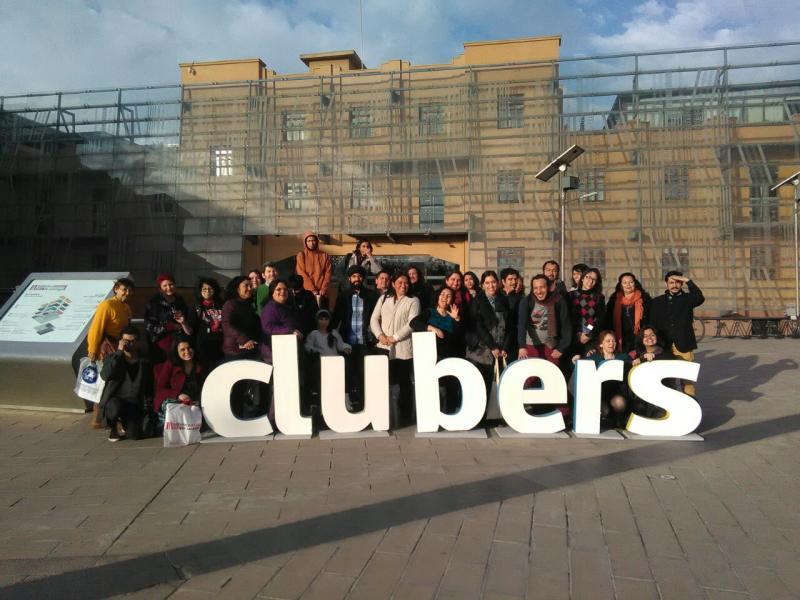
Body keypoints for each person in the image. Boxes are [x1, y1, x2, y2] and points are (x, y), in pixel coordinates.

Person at [370, 273, 421, 426]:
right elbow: (374, 319)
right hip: (383, 346)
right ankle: (384, 414)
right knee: (384, 381)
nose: (403, 285)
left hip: (403, 348)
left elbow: (412, 323)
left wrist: (395, 337)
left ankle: (405, 415)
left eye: (406, 283)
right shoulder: (384, 298)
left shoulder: (413, 300)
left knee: (404, 382)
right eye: (399, 282)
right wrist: (380, 335)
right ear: (393, 283)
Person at [85, 277, 135, 428]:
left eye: (129, 290)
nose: (127, 292)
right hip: (108, 347)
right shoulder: (107, 305)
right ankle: (98, 416)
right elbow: (96, 328)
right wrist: (92, 349)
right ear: (116, 289)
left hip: (121, 347)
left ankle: (115, 415)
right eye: (124, 289)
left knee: (119, 381)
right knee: (106, 382)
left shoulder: (127, 307)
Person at [650, 271, 705, 397]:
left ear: (682, 283)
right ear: (666, 284)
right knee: (668, 379)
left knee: (687, 380)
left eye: (678, 282)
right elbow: (652, 323)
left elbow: (700, 297)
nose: (674, 285)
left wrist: (687, 280)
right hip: (664, 346)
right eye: (671, 282)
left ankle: (690, 404)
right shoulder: (657, 301)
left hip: (684, 344)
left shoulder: (688, 299)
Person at [332, 265, 378, 409]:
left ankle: (365, 402)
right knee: (348, 372)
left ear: (363, 278)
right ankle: (350, 400)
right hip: (348, 342)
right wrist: (330, 334)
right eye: (353, 276)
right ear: (349, 279)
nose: (356, 279)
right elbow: (336, 317)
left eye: (359, 276)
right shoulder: (343, 296)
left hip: (365, 341)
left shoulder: (371, 295)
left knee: (364, 373)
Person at [411, 286, 463, 412]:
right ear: (438, 296)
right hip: (431, 357)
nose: (445, 297)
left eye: (448, 296)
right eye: (443, 294)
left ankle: (448, 413)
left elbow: (459, 335)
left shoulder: (453, 316)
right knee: (433, 388)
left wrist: (457, 319)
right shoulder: (430, 312)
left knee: (448, 388)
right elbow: (414, 323)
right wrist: (432, 328)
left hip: (448, 357)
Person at [99, 325, 154, 442]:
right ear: (121, 341)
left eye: (134, 341)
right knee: (115, 407)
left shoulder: (144, 362)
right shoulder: (113, 358)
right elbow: (105, 375)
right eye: (126, 341)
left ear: (138, 342)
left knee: (134, 436)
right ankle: (114, 425)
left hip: (134, 403)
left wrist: (148, 407)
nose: (130, 344)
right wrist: (119, 352)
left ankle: (126, 424)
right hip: (116, 401)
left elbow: (150, 386)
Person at [466, 270, 515, 401]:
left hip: (499, 350)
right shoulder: (477, 301)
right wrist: (492, 346)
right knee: (480, 386)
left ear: (498, 283)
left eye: (493, 282)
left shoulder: (504, 300)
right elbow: (478, 326)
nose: (491, 286)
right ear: (482, 285)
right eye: (487, 283)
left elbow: (510, 326)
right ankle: (479, 412)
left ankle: (491, 411)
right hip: (481, 350)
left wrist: (505, 347)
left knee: (495, 384)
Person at [571, 330, 630, 428]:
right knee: (605, 411)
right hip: (598, 395)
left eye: (613, 341)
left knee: (620, 403)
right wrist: (575, 362)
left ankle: (619, 421)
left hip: (616, 393)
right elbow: (581, 368)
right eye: (608, 341)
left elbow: (632, 364)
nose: (611, 343)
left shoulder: (623, 357)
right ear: (601, 344)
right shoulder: (594, 358)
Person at [518, 274, 572, 366]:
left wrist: (561, 348)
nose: (539, 291)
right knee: (531, 374)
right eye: (535, 288)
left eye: (542, 287)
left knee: (551, 373)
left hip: (551, 346)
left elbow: (566, 326)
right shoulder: (527, 301)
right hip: (531, 345)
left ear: (548, 287)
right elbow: (521, 325)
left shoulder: (558, 301)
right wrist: (522, 347)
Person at [154, 337, 205, 431]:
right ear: (176, 352)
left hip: (195, 402)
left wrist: (198, 400)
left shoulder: (200, 364)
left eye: (189, 348)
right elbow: (160, 388)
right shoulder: (170, 364)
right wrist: (178, 395)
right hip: (175, 401)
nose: (187, 351)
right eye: (182, 349)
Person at [144, 273, 193, 365]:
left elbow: (188, 321)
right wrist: (170, 326)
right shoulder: (154, 303)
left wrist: (183, 323)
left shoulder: (180, 301)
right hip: (161, 347)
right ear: (160, 288)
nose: (169, 288)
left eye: (171, 284)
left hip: (180, 345)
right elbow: (149, 326)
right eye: (165, 286)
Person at [605, 272, 652, 354]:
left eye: (631, 282)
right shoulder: (614, 300)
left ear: (635, 283)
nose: (628, 285)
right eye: (625, 282)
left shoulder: (645, 299)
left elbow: (650, 319)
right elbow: (608, 320)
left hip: (640, 338)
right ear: (620, 285)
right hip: (620, 339)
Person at [260, 279, 303, 365]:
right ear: (272, 293)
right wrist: (290, 331)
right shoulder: (269, 309)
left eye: (285, 289)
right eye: (278, 289)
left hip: (288, 351)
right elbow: (268, 328)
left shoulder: (286, 307)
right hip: (274, 353)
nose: (282, 291)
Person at [568, 267, 605, 356]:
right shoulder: (571, 295)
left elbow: (600, 319)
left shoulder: (598, 297)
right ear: (582, 278)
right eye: (587, 277)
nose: (590, 281)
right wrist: (577, 334)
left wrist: (589, 335)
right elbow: (567, 317)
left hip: (590, 336)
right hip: (572, 335)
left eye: (594, 279)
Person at [221, 276, 260, 360]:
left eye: (251, 286)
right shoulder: (230, 305)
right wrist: (244, 340)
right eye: (246, 285)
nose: (249, 288)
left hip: (249, 349)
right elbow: (227, 325)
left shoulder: (248, 305)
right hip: (235, 351)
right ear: (237, 288)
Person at [192, 277, 224, 371]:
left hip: (220, 346)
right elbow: (192, 327)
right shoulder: (196, 307)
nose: (207, 291)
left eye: (210, 288)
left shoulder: (222, 304)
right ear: (200, 291)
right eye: (204, 289)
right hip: (203, 347)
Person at [295, 231, 332, 307]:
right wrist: (312, 290)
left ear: (317, 241)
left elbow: (328, 273)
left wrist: (323, 289)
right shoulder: (301, 255)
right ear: (305, 242)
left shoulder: (324, 255)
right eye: (308, 241)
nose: (311, 243)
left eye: (313, 240)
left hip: (322, 294)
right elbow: (302, 274)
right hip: (307, 294)